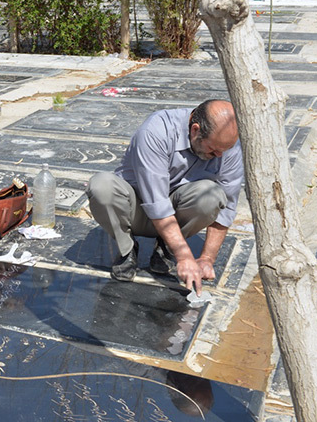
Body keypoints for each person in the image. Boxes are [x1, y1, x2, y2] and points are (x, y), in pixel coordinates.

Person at [86, 100, 243, 295]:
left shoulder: (227, 146)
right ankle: (127, 249)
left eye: (224, 150)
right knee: (102, 186)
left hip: (177, 211)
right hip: (136, 208)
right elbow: (157, 203)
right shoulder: (157, 131)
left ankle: (166, 246)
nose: (219, 156)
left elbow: (227, 206)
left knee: (212, 196)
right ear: (195, 130)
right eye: (213, 150)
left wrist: (207, 259)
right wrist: (185, 256)